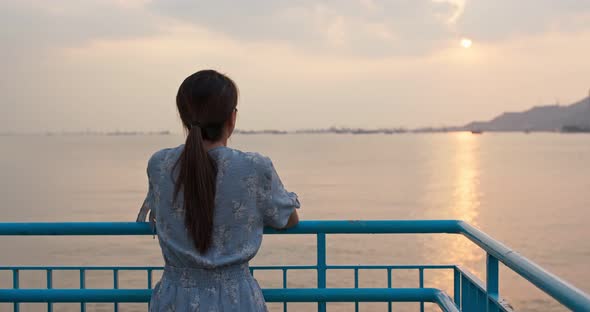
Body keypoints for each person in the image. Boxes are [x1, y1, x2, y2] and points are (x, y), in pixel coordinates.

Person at [136, 69, 300, 311]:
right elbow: (288, 219)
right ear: (231, 118)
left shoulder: (160, 164)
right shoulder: (254, 167)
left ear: (184, 117)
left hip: (175, 300)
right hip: (237, 300)